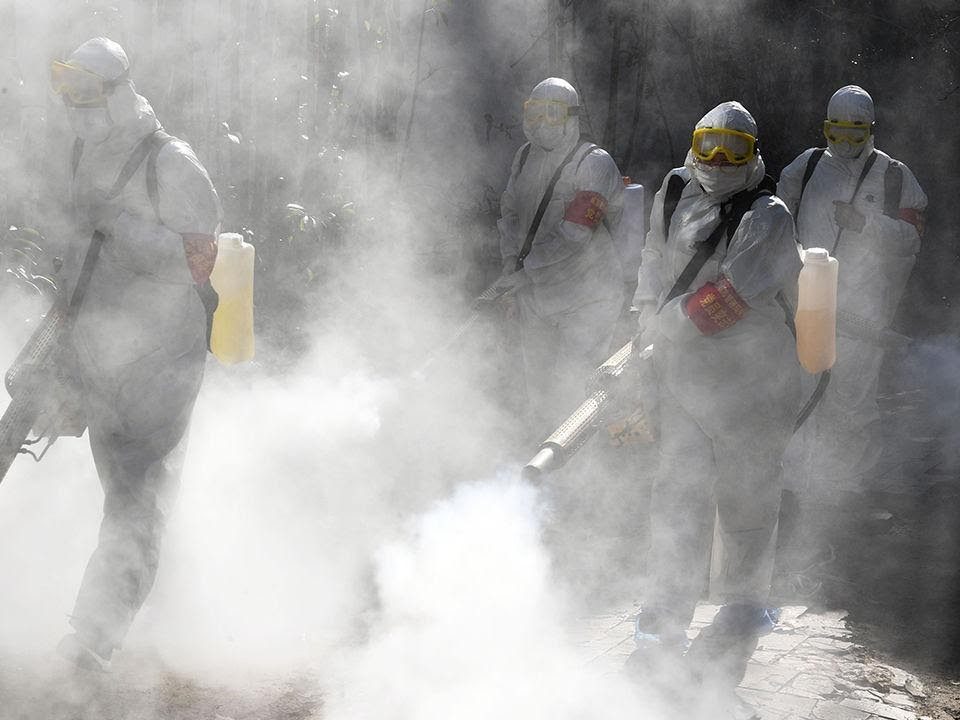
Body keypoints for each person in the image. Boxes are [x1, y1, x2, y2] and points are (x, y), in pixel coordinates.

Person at [48, 37, 221, 670]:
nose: (75, 104)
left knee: (136, 498)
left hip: (163, 363)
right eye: (68, 89)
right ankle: (159, 602)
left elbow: (200, 261)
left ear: (119, 94)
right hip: (99, 354)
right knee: (122, 491)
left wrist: (119, 229)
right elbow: (80, 254)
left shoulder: (171, 163)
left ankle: (91, 640)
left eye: (87, 91)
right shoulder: (82, 152)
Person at [627, 101, 802, 695]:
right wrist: (645, 313)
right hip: (684, 377)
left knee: (747, 497)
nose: (719, 159)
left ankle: (742, 604)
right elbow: (654, 260)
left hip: (751, 381)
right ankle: (663, 616)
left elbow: (733, 297)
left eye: (734, 148)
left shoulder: (769, 215)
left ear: (754, 155)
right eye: (710, 145)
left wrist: (666, 325)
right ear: (694, 145)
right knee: (677, 494)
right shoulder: (674, 191)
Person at [778, 85, 927, 495]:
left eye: (854, 135)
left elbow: (912, 238)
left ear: (870, 131)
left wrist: (865, 223)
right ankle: (796, 484)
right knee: (803, 393)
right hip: (808, 304)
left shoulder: (894, 175)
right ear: (825, 129)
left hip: (864, 309)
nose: (844, 144)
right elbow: (774, 221)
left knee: (853, 402)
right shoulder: (805, 168)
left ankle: (848, 489)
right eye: (835, 133)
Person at [496, 77, 626, 433]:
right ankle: (539, 467)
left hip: (587, 296)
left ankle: (580, 471)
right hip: (537, 294)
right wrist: (510, 263)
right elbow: (509, 214)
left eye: (552, 114)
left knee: (573, 386)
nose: (541, 123)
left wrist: (525, 271)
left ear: (571, 117)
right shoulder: (524, 157)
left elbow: (574, 234)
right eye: (535, 112)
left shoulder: (594, 163)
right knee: (536, 389)